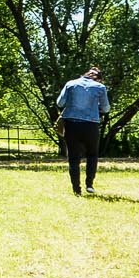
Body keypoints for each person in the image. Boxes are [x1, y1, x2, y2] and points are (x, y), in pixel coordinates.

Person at [55, 66, 111, 195]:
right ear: (99, 78)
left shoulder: (71, 84)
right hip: (91, 125)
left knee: (73, 157)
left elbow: (60, 103)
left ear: (85, 74)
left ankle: (76, 189)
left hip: (71, 124)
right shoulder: (100, 87)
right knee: (92, 154)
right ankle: (89, 184)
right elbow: (106, 108)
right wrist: (96, 107)